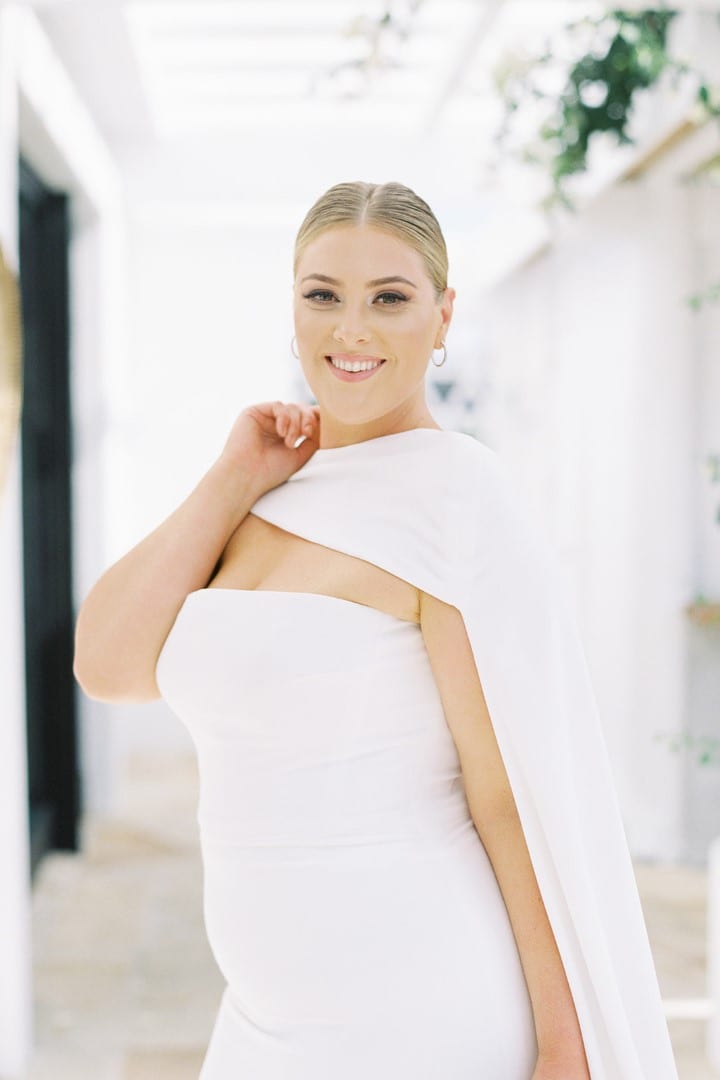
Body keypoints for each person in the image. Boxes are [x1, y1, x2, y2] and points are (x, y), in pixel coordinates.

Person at [74, 181, 677, 1079]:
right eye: (323, 295)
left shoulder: (457, 499)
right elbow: (108, 664)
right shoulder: (263, 497)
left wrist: (565, 1046)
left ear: (442, 317)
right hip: (262, 1016)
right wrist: (232, 475)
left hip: (420, 1004)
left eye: (389, 299)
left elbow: (509, 799)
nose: (350, 329)